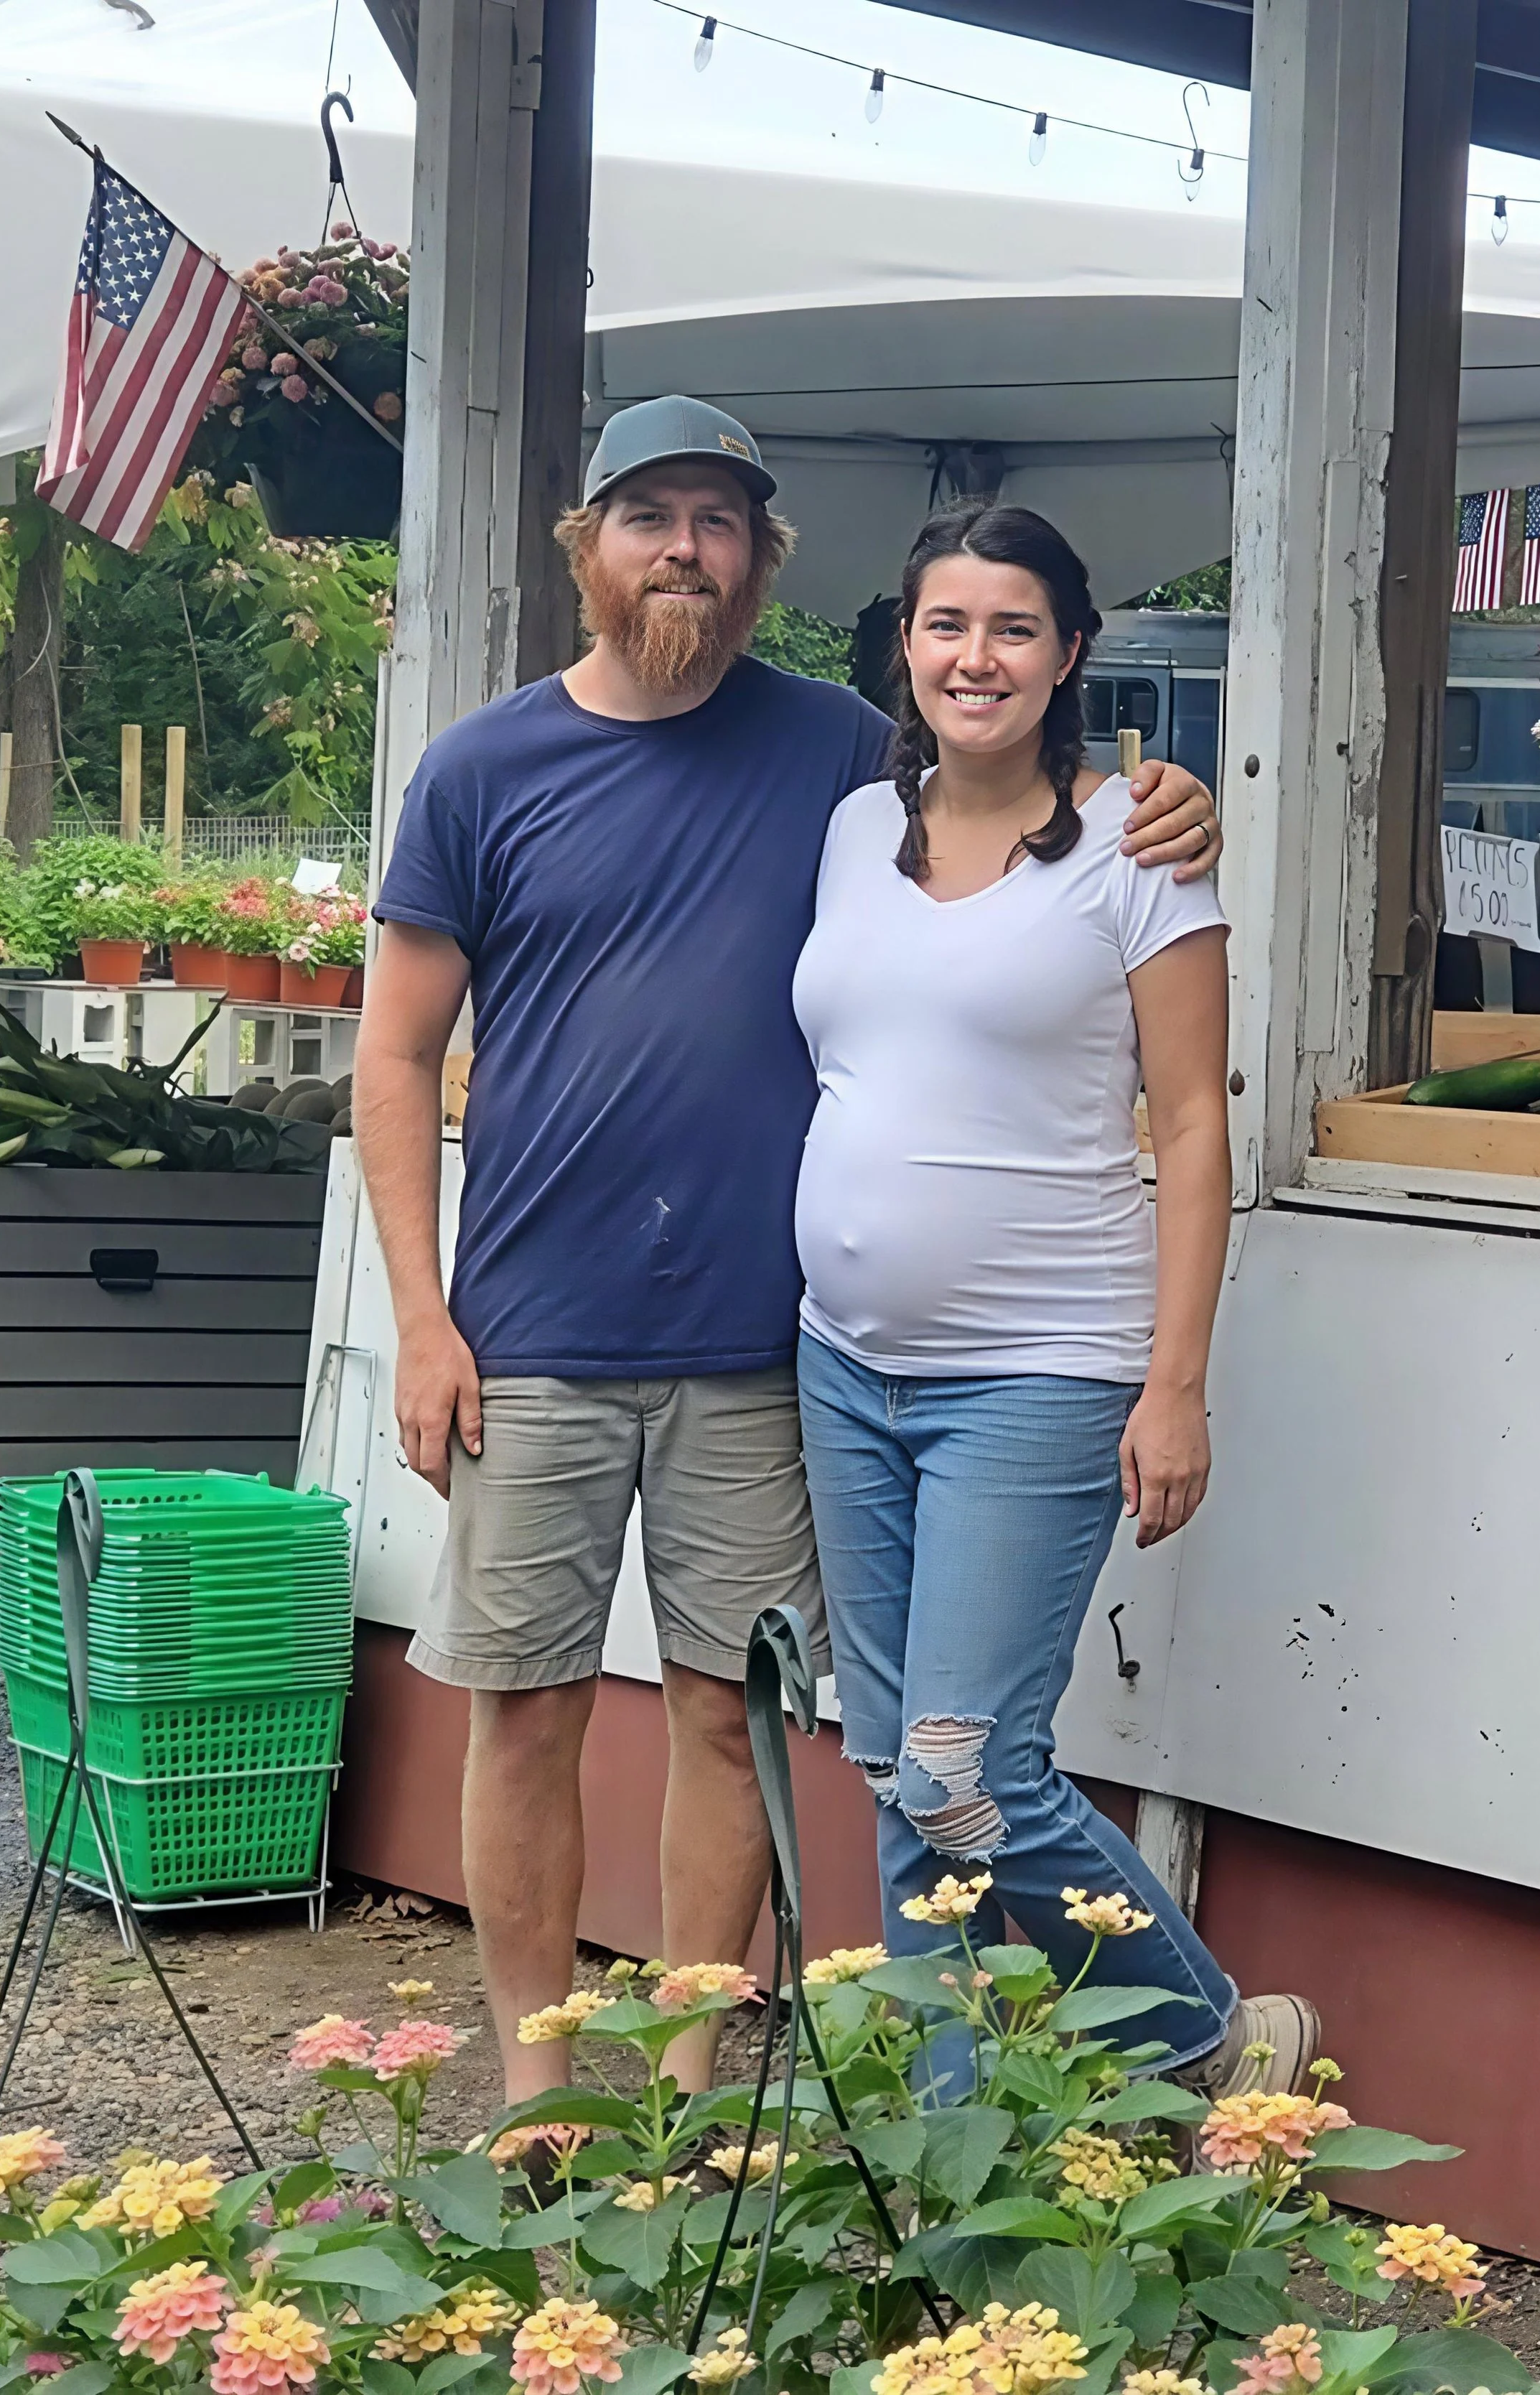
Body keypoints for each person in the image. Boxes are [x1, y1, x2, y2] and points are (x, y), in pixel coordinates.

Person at [355, 396, 1225, 2101]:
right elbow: (392, 1055)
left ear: (762, 560)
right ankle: (539, 2087)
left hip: (769, 1342)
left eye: (718, 521)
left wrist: (1161, 787)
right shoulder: (482, 769)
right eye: (647, 515)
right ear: (584, 543)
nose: (683, 546)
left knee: (731, 1714)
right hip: (527, 1321)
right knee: (525, 1709)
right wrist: (417, 1313)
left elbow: (1016, 798)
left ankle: (692, 2081)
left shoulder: (834, 752)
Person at [793, 499, 1319, 2096]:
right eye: (946, 623)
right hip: (840, 1362)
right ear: (904, 644)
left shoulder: (1135, 849)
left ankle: (1207, 2031)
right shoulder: (845, 833)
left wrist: (1175, 1383)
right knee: (894, 1765)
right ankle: (948, 2161)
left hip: (1038, 1364)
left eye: (1012, 627)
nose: (976, 656)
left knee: (966, 1768)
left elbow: (1188, 1124)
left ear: (1068, 653)